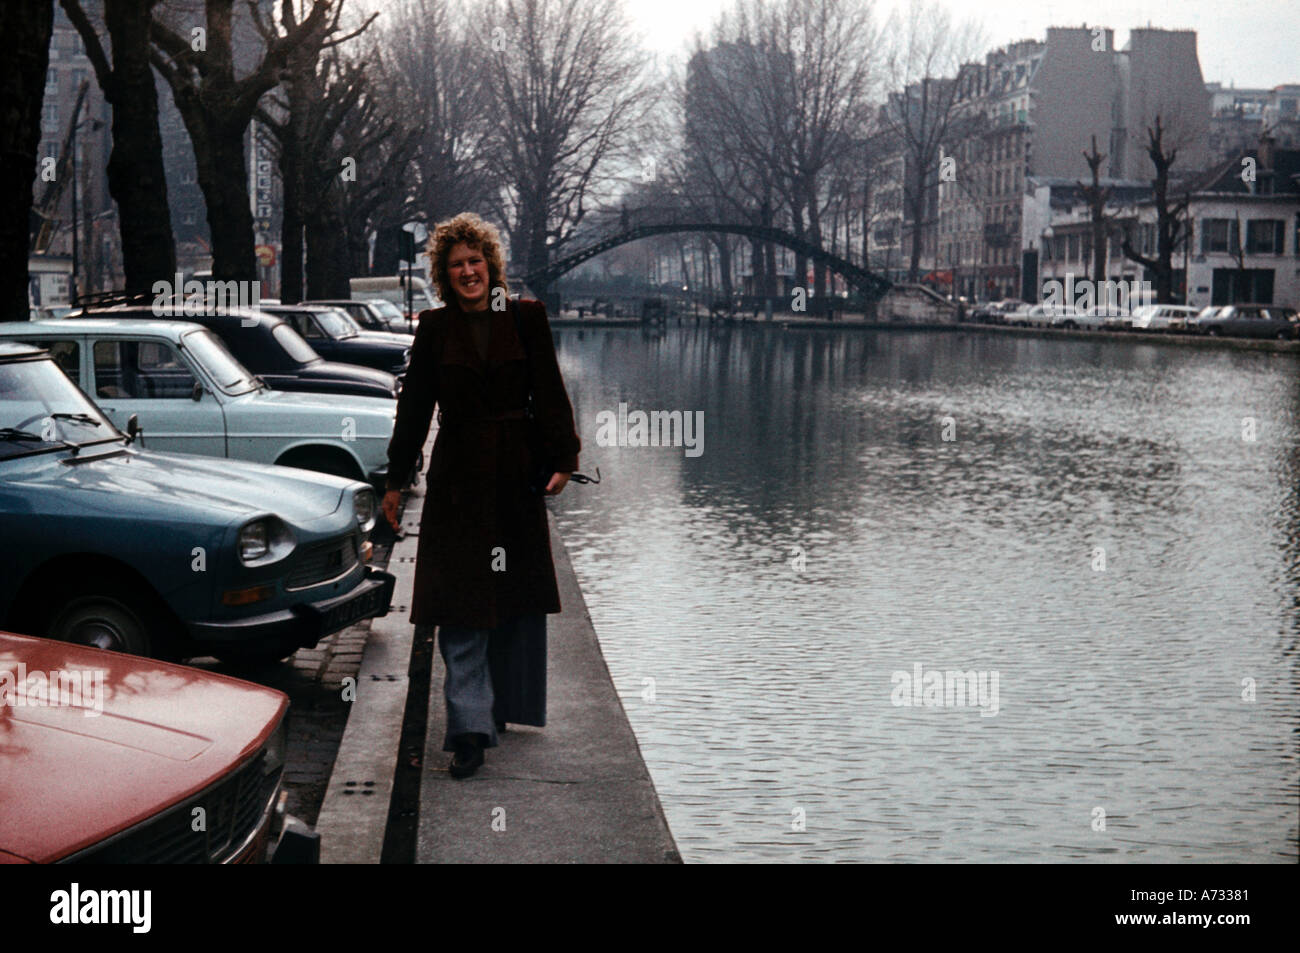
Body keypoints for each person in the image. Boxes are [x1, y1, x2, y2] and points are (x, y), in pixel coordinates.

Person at [381, 211, 580, 779]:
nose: (469, 272)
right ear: (444, 276)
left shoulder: (525, 318)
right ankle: (469, 729)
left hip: (516, 475)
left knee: (513, 598)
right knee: (462, 603)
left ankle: (508, 706)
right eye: (457, 266)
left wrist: (563, 457)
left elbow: (549, 389)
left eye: (476, 262)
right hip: (459, 482)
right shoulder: (436, 328)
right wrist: (396, 481)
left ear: (491, 265)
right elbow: (415, 409)